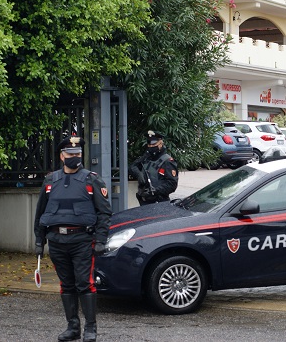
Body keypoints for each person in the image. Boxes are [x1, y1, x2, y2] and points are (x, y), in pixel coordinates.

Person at [34, 135, 112, 342]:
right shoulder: (50, 180)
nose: (74, 157)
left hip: (82, 242)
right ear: (62, 156)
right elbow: (40, 213)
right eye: (70, 154)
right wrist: (39, 242)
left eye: (77, 154)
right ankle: (73, 327)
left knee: (85, 284)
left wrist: (101, 240)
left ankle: (90, 329)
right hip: (57, 242)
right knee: (66, 285)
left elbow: (104, 212)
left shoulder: (92, 179)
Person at [129, 130, 178, 206]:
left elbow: (172, 184)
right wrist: (139, 174)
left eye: (153, 144)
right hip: (144, 201)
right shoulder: (147, 158)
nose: (151, 146)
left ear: (160, 144)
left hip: (159, 202)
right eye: (149, 144)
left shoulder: (167, 161)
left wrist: (155, 191)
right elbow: (132, 167)